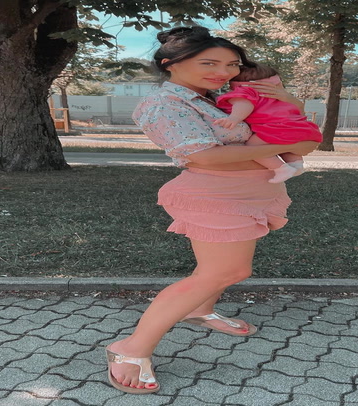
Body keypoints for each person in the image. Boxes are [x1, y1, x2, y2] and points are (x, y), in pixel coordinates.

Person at [105, 26, 318, 395]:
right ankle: (130, 348)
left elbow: (276, 120)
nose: (224, 72)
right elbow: (205, 156)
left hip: (246, 192)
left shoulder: (214, 99)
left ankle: (199, 310)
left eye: (232, 64)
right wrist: (293, 147)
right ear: (170, 63)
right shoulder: (164, 104)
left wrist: (289, 102)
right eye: (209, 63)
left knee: (216, 269)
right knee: (227, 270)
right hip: (216, 195)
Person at [214, 64, 323, 183]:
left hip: (277, 128)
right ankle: (296, 163)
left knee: (253, 148)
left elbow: (244, 105)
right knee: (284, 145)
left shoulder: (245, 91)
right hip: (302, 127)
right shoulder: (278, 95)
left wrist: (234, 118)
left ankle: (281, 169)